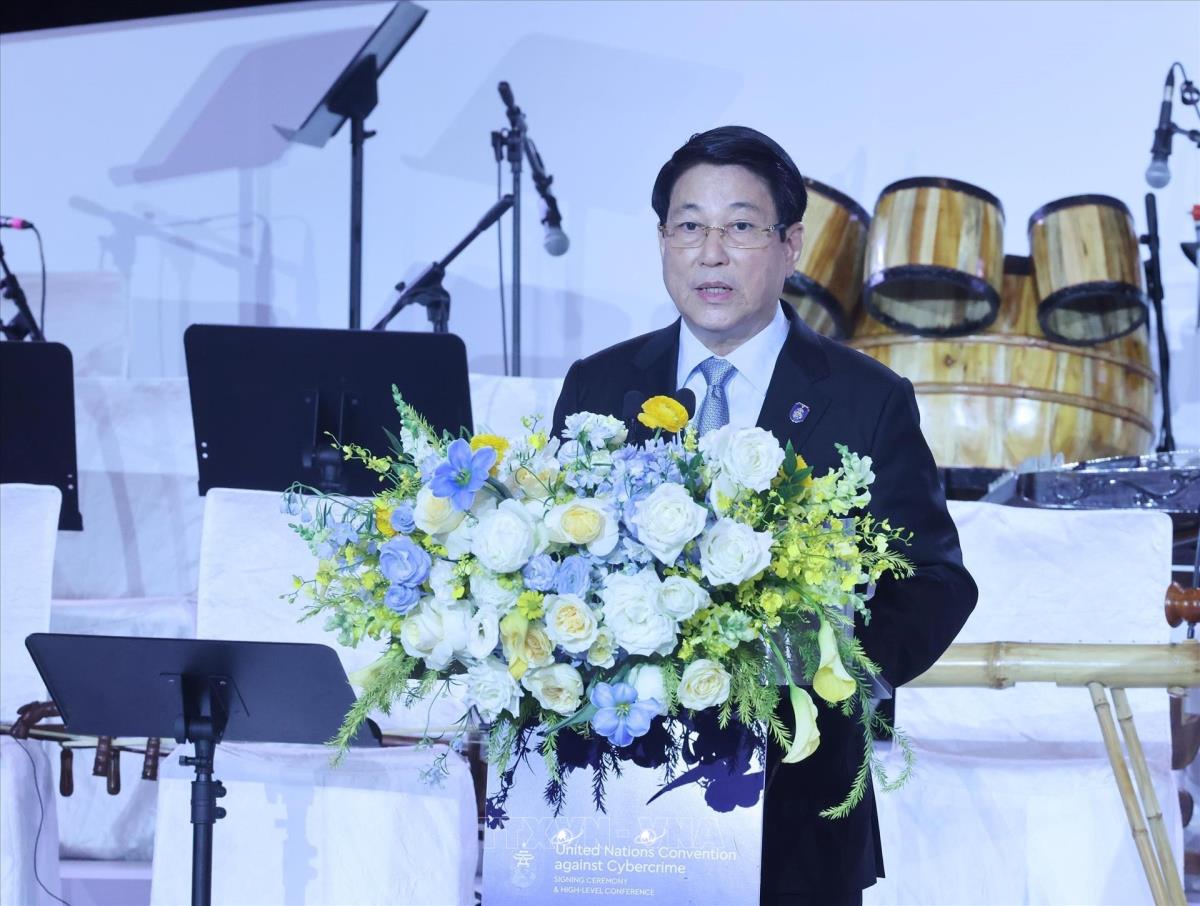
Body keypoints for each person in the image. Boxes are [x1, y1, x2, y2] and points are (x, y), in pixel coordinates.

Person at [551, 126, 978, 905]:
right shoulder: (599, 385)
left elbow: (934, 581)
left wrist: (829, 667)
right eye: (690, 226)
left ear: (790, 246)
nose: (711, 253)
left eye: (741, 226)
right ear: (663, 241)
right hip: (615, 799)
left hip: (798, 804)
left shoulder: (867, 397)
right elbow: (556, 565)